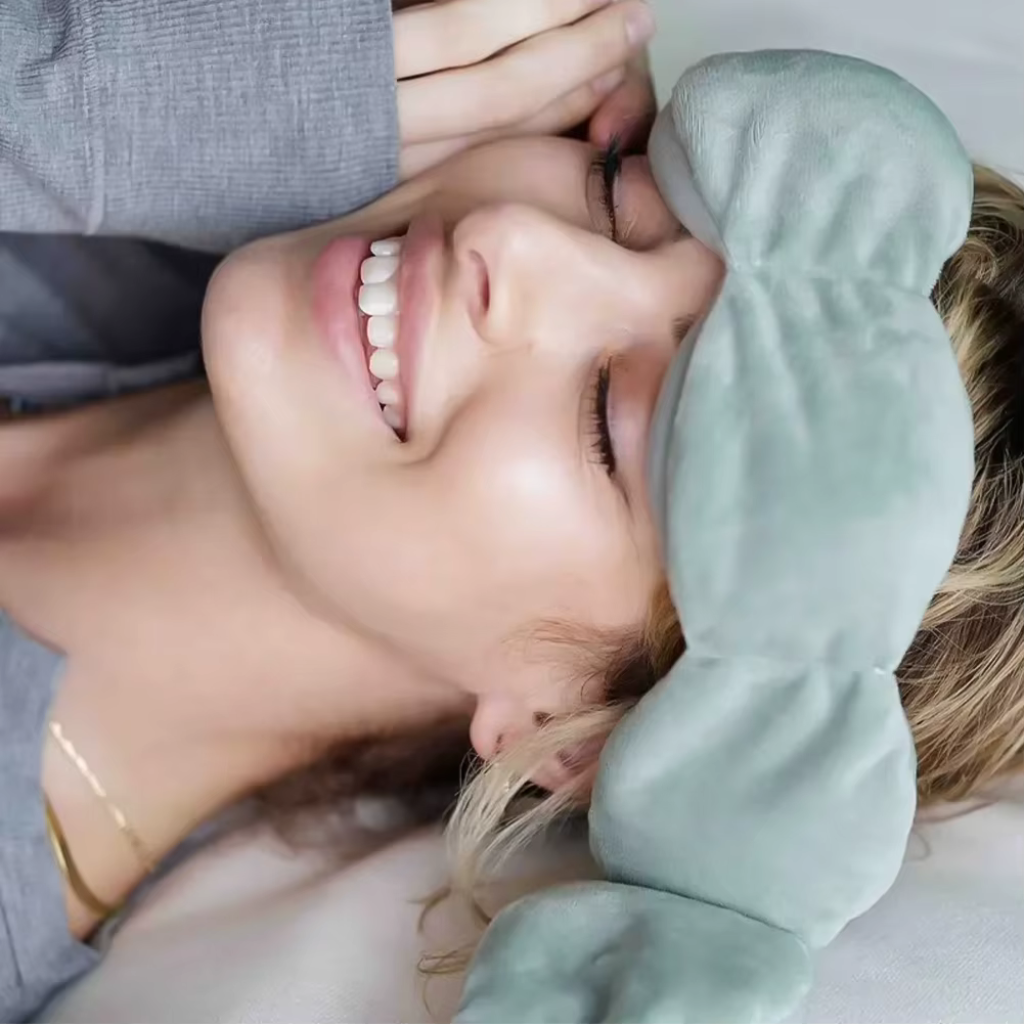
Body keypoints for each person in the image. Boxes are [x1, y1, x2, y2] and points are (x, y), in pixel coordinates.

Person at [1, 6, 1023, 1023]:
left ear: (568, 736)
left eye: (609, 422)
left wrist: (55, 107)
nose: (511, 239)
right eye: (616, 194)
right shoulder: (142, 131)